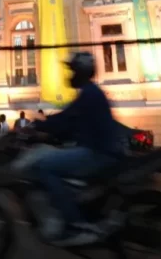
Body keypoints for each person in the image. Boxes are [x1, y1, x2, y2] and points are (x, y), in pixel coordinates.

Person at [29, 52, 123, 246]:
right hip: (98, 149)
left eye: (72, 70)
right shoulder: (90, 92)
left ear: (80, 72)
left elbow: (67, 117)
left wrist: (36, 126)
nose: (69, 74)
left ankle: (75, 224)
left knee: (44, 167)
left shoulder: (89, 94)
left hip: (97, 153)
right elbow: (73, 124)